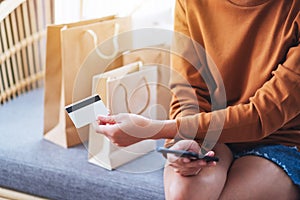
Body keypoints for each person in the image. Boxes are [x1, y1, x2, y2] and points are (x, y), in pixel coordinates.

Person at [95, 0, 300, 199]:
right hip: (209, 131)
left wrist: (154, 129)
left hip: (280, 140)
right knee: (185, 194)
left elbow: (262, 115)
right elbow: (189, 90)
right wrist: (185, 142)